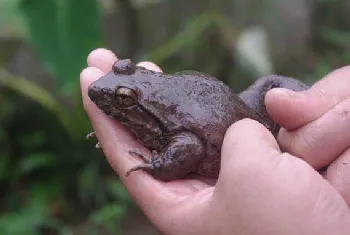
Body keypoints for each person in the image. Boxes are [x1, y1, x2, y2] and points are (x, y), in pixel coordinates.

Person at [80, 48, 350, 235]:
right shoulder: (152, 113)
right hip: (222, 108)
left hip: (224, 135)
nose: (105, 88)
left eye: (124, 99)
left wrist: (160, 164)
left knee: (271, 87)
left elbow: (190, 146)